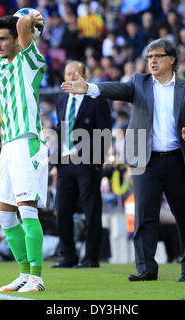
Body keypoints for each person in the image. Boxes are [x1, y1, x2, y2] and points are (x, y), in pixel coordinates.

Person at [61, 38, 185, 282]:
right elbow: (117, 89)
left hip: (177, 160)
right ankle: (146, 269)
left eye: (157, 56)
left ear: (172, 59)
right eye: (149, 57)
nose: (152, 61)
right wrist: (89, 88)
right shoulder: (140, 82)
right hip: (144, 161)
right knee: (144, 215)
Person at [0, 12, 47, 292]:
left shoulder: (30, 60)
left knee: (27, 211)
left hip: (28, 142)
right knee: (4, 215)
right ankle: (24, 273)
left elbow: (24, 27)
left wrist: (28, 18)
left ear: (20, 41)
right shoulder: (1, 66)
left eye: (4, 39)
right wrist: (1, 39)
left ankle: (37, 278)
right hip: (9, 147)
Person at [52, 61, 111, 269]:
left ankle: (91, 258)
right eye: (67, 74)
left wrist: (97, 162)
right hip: (65, 163)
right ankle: (68, 255)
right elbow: (59, 131)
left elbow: (105, 132)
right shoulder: (61, 100)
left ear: (84, 76)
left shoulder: (96, 99)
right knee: (62, 209)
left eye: (74, 74)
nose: (70, 78)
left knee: (91, 211)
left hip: (86, 163)